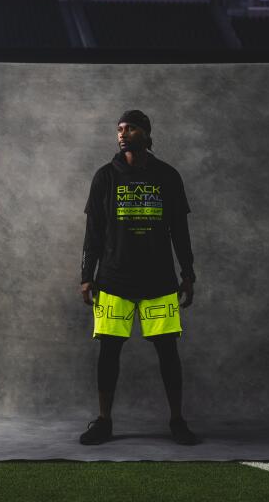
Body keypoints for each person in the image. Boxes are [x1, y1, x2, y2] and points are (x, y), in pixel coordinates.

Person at [79, 109, 199, 446]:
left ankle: (177, 420)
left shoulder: (168, 176)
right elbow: (93, 234)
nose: (122, 133)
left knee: (168, 353)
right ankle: (104, 422)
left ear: (145, 133)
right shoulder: (105, 177)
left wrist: (187, 273)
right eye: (118, 128)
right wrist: (86, 276)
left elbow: (180, 231)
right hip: (113, 281)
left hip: (159, 281)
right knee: (109, 353)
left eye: (129, 128)